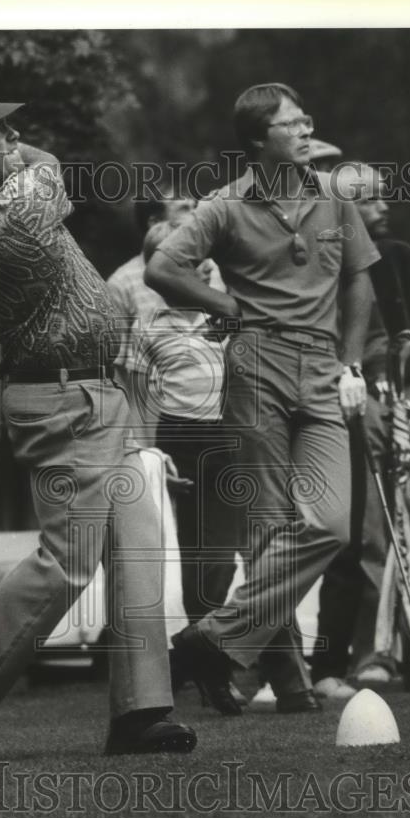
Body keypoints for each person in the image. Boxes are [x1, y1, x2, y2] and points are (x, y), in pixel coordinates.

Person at [0, 82, 196, 765]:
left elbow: (26, 157)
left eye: (6, 132)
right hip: (64, 403)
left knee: (137, 550)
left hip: (98, 392)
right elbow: (48, 163)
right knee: (69, 562)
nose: (12, 140)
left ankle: (141, 711)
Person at [145, 83, 380, 713]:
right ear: (257, 140)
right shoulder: (224, 207)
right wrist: (228, 305)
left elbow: (360, 281)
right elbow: (162, 269)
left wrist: (351, 363)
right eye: (292, 124)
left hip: (324, 368)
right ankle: (291, 682)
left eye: (308, 120)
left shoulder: (333, 199)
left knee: (328, 525)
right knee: (269, 531)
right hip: (256, 361)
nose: (306, 131)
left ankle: (210, 640)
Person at [312, 162, 410, 693]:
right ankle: (328, 659)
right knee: (347, 533)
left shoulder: (395, 256)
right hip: (321, 400)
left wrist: (389, 392)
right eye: (372, 199)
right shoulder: (317, 255)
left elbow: (398, 339)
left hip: (377, 401)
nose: (384, 207)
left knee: (384, 530)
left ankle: (381, 651)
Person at [138, 221, 244, 714]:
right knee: (196, 558)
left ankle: (202, 659)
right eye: (182, 262)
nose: (198, 267)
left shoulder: (234, 313)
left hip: (233, 437)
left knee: (230, 557)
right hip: (179, 441)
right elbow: (134, 400)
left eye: (202, 261)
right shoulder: (149, 326)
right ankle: (207, 669)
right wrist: (151, 459)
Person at [106, 194, 196, 445]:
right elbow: (120, 376)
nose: (196, 215)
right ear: (155, 221)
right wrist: (142, 446)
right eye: (184, 208)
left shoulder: (214, 273)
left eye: (196, 206)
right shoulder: (121, 284)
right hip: (155, 419)